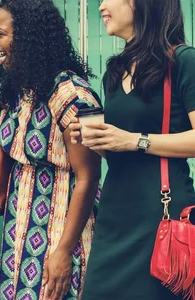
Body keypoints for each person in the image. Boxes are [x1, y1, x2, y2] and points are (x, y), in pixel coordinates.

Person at [69, 0, 195, 299]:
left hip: (161, 214)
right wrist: (96, 140)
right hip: (115, 213)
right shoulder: (116, 68)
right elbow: (121, 148)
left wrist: (133, 140)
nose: (100, 7)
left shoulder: (182, 60)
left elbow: (133, 141)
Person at [0, 0, 102, 299]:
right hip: (18, 235)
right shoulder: (20, 90)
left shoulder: (70, 94)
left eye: (1, 33)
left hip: (59, 234)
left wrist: (64, 251)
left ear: (26, 39)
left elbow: (88, 177)